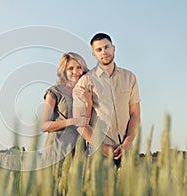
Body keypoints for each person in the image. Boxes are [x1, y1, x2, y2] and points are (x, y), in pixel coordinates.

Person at [73, 33, 141, 165]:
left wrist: (127, 142)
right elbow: (80, 123)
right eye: (99, 49)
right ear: (94, 54)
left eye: (106, 47)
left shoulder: (129, 77)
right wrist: (102, 148)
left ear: (113, 48)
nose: (104, 52)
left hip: (127, 151)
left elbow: (135, 114)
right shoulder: (85, 81)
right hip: (99, 153)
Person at [41, 52, 93, 159]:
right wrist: (72, 121)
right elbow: (44, 126)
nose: (75, 72)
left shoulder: (87, 91)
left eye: (79, 67)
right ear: (64, 71)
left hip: (78, 152)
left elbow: (86, 122)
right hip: (56, 151)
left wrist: (89, 102)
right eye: (71, 68)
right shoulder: (54, 92)